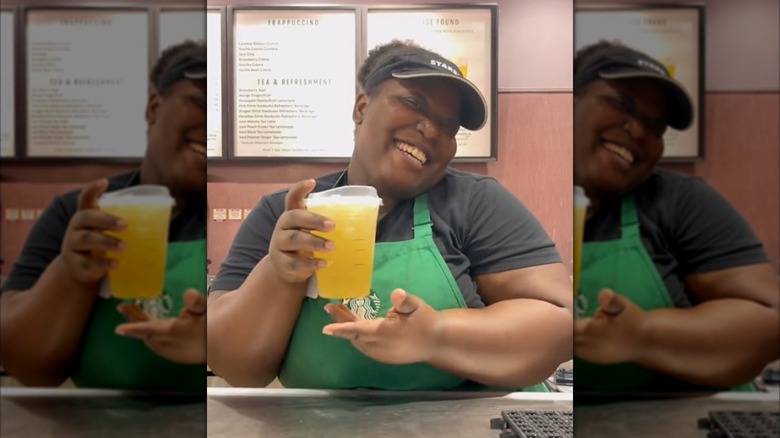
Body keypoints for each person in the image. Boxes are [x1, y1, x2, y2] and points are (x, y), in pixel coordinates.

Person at [207, 40, 573, 391]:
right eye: (414, 102)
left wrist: (438, 337)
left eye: (449, 127)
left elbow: (561, 322)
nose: (431, 129)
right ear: (362, 107)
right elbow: (234, 366)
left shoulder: (476, 204)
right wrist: (278, 272)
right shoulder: (284, 213)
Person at [572, 41, 780, 393]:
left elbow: (768, 320)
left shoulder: (682, 202)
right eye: (622, 104)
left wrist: (645, 336)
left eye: (655, 127)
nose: (638, 131)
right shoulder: (510, 209)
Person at [0, 40, 208, 391]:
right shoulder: (78, 214)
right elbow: (28, 366)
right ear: (155, 107)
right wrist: (70, 273)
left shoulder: (240, 224)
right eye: (201, 103)